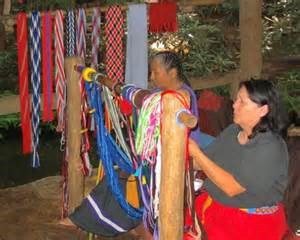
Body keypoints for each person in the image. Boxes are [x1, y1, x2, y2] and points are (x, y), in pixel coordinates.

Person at [59, 51, 213, 239]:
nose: (151, 77)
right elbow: (144, 113)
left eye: (156, 72)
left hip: (173, 161)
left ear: (172, 73)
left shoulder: (181, 97)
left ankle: (89, 219)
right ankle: (87, 217)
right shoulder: (159, 94)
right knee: (117, 174)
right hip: (153, 156)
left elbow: (174, 132)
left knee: (122, 180)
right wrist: (128, 103)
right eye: (151, 72)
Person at [186, 79, 290, 240]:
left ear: (262, 110)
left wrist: (196, 153)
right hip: (217, 207)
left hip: (252, 224)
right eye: (236, 99)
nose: (234, 105)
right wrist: (179, 157)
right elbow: (203, 162)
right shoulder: (233, 131)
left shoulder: (270, 147)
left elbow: (232, 188)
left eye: (242, 101)